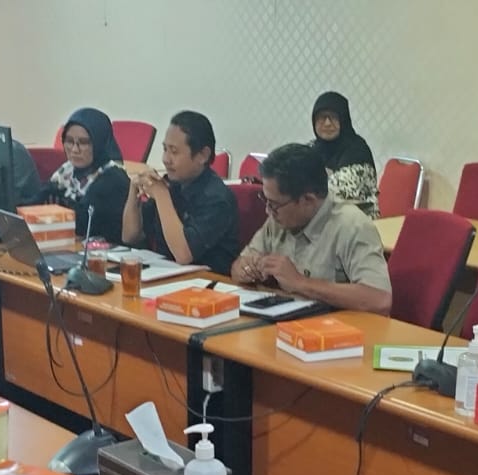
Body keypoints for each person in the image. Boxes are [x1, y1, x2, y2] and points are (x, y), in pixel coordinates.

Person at [230, 143, 391, 315]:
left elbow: (379, 299)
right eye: (265, 200)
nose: (268, 211)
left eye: (274, 204)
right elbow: (238, 266)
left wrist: (300, 283)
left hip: (335, 326)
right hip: (286, 319)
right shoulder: (278, 217)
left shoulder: (352, 225)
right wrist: (245, 269)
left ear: (308, 200)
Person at [121, 110, 239, 274]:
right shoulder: (172, 184)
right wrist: (133, 192)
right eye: (165, 149)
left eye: (174, 151)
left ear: (202, 155)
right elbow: (130, 236)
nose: (165, 159)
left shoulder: (217, 199)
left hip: (207, 282)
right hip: (166, 275)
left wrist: (162, 195)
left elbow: (183, 254)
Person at [30, 107, 128, 241]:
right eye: (69, 141)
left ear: (99, 142)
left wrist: (58, 204)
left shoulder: (113, 177)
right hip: (70, 243)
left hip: (105, 249)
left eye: (84, 143)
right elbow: (38, 202)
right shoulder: (68, 170)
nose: (75, 150)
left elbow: (84, 224)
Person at [310, 91, 378, 218]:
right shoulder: (312, 148)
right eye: (321, 117)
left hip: (355, 224)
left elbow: (333, 193)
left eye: (333, 117)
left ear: (344, 119)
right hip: (320, 221)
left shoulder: (358, 152)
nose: (327, 123)